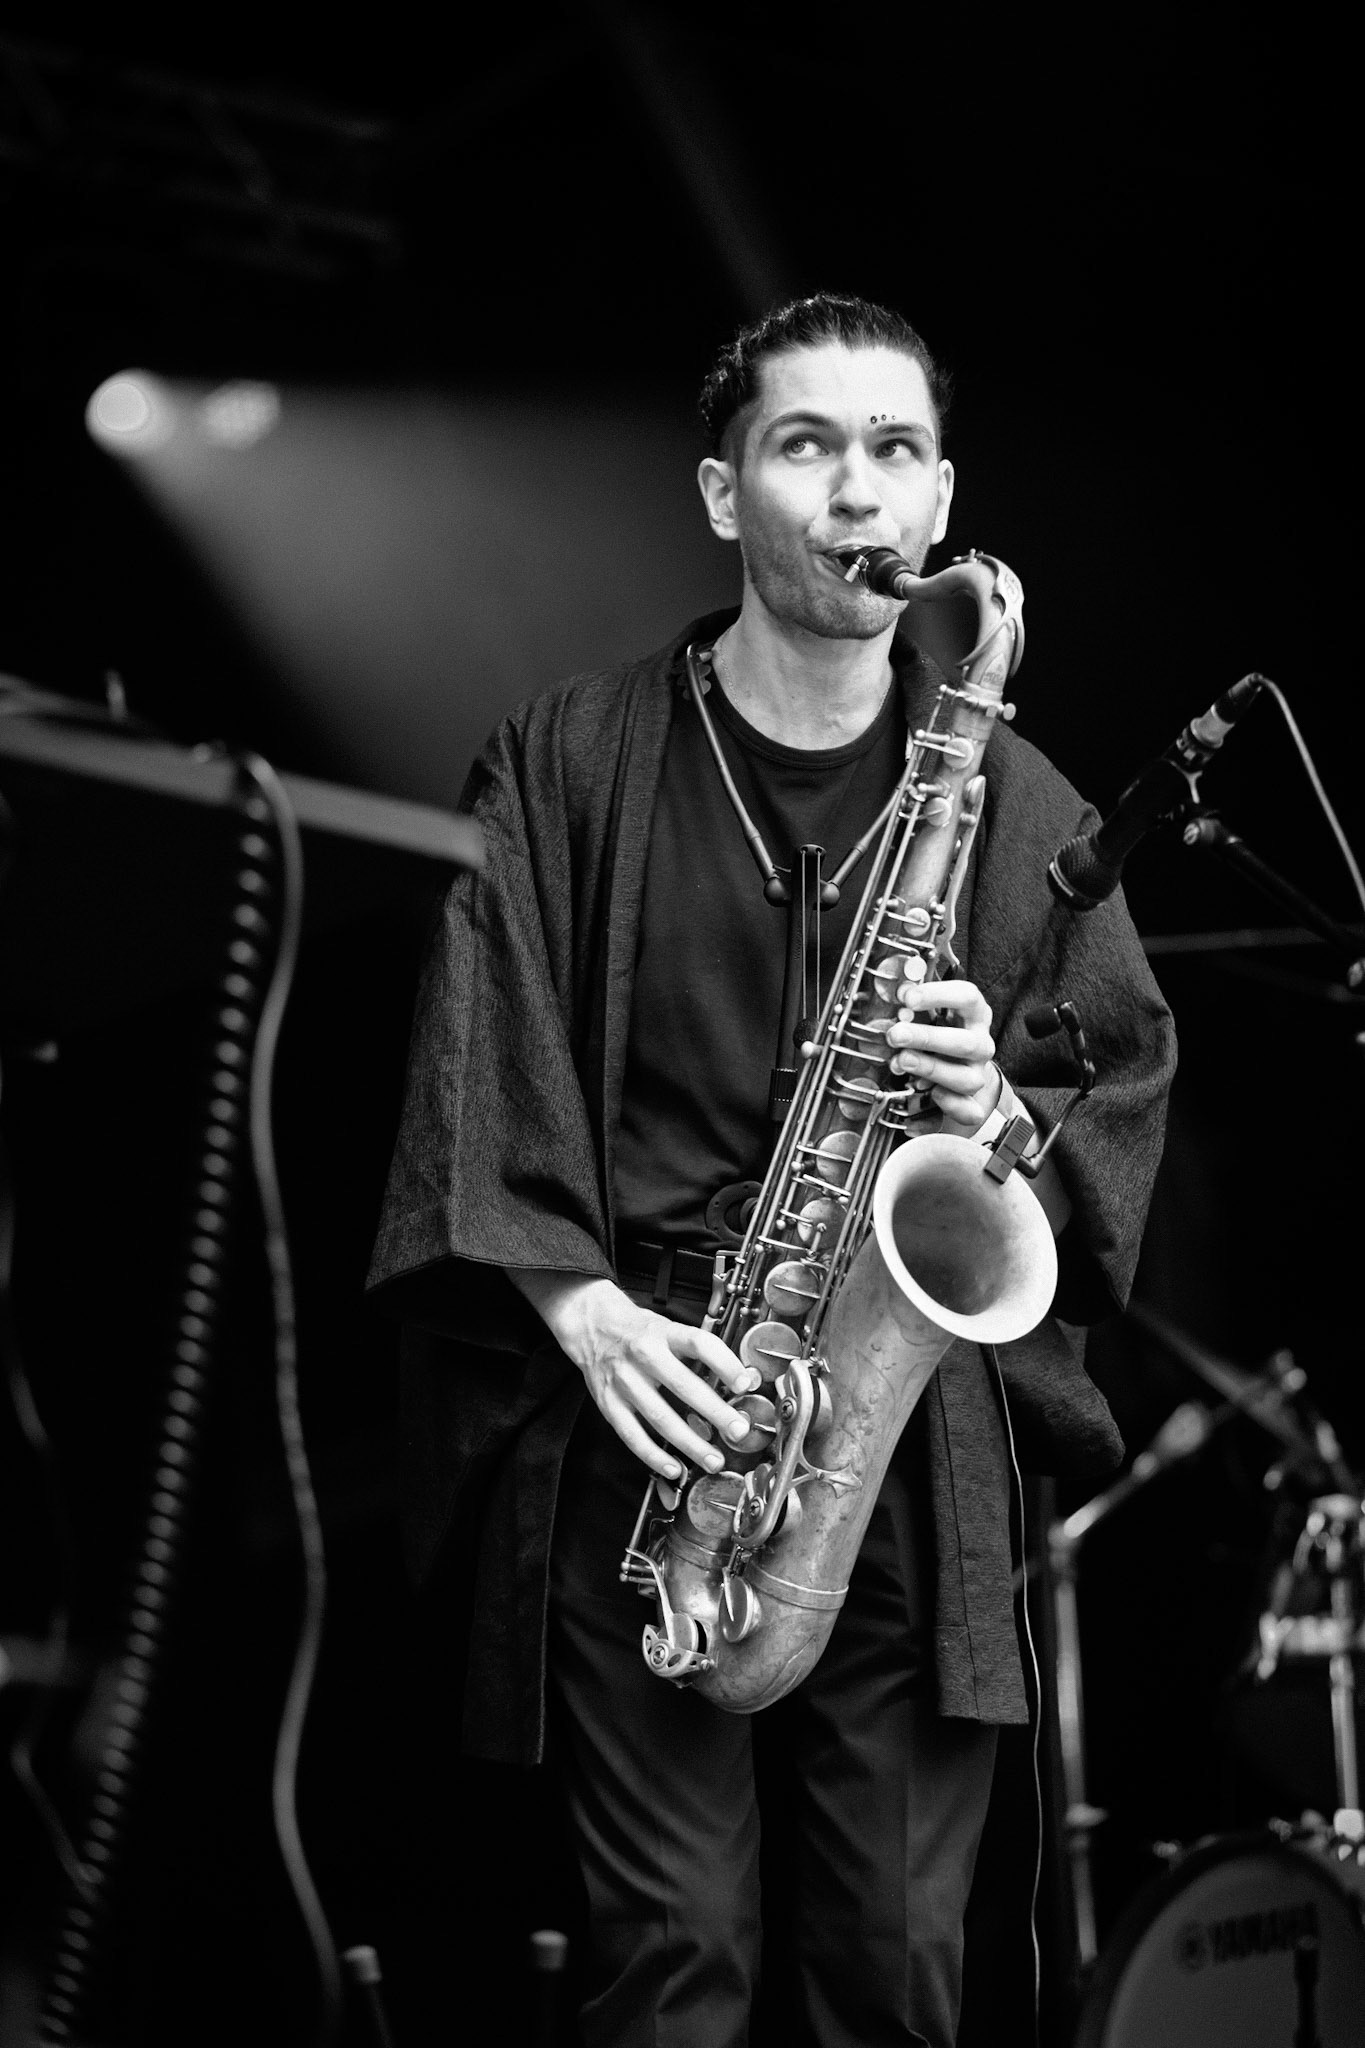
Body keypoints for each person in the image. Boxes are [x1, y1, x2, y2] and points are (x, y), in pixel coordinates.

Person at [369, 292, 1175, 2047]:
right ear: (726, 495)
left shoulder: (1016, 798)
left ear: (942, 492)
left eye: (893, 452)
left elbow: (1105, 1082)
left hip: (903, 1452)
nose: (855, 493)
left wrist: (997, 1113)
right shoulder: (567, 759)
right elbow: (469, 1063)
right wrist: (579, 1314)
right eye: (806, 446)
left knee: (898, 1979)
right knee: (671, 1976)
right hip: (652, 1440)